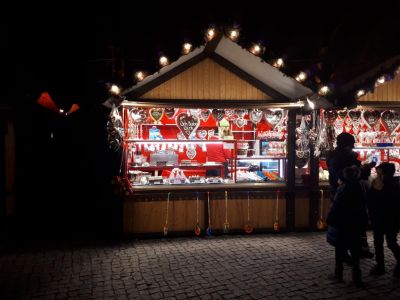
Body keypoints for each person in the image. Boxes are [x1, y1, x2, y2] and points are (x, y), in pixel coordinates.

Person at [326, 132, 374, 260]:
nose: (353, 147)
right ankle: (347, 253)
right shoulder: (341, 157)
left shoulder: (336, 156)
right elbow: (343, 175)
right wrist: (361, 170)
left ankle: (355, 250)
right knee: (347, 224)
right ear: (346, 145)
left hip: (343, 192)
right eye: (351, 144)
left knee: (349, 223)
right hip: (344, 192)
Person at [326, 166, 369, 287]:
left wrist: (330, 218)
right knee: (355, 249)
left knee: (340, 249)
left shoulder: (342, 188)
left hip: (343, 222)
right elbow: (365, 204)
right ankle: (357, 277)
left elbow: (336, 205)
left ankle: (338, 274)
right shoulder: (361, 186)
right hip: (357, 222)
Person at [367, 162, 400, 277]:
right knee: (390, 242)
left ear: (382, 172)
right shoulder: (395, 183)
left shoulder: (380, 184)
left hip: (382, 217)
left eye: (379, 170)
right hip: (391, 218)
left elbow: (371, 200)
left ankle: (380, 266)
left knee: (380, 242)